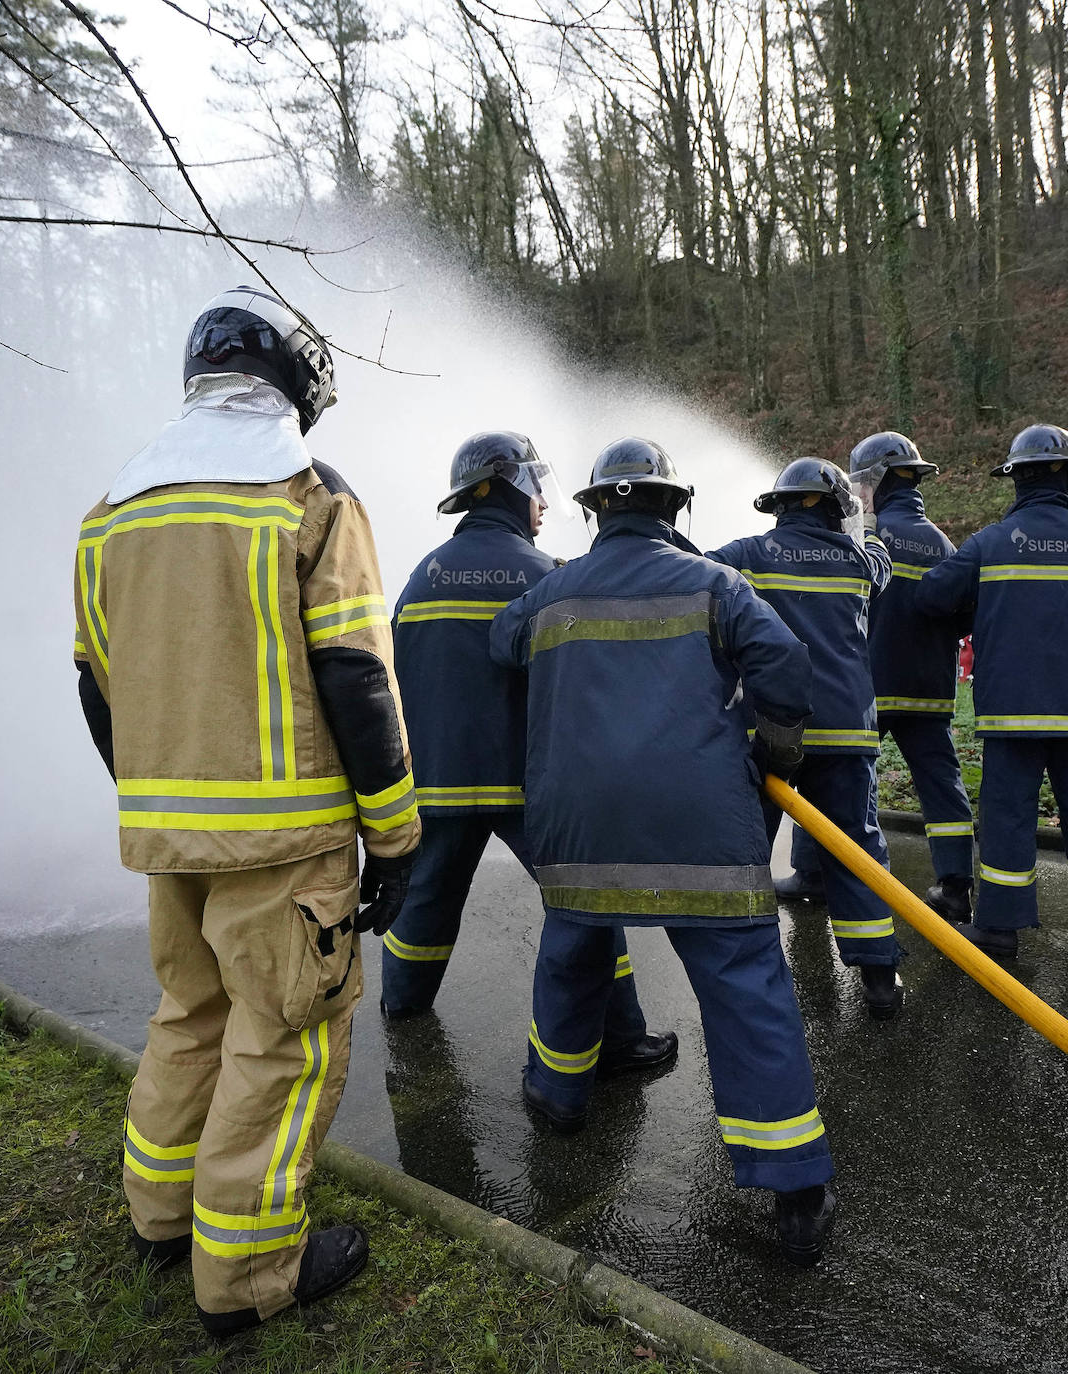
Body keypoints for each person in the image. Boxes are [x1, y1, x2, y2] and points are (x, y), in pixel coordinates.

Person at [74, 286, 420, 1336]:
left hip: (169, 840)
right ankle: (249, 1276)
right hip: (288, 843)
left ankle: (159, 1215)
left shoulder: (113, 513)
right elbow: (357, 675)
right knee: (283, 1045)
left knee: (190, 1019)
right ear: (291, 381)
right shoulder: (309, 496)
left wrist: (160, 802)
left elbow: (96, 687)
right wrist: (395, 834)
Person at [489, 438, 836, 1266]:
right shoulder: (717, 585)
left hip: (578, 829)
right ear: (675, 508)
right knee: (745, 984)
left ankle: (558, 1095)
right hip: (701, 827)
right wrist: (776, 752)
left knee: (573, 950)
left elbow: (499, 649)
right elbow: (783, 662)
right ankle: (792, 1188)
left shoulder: (546, 595)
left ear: (593, 509)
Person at [384, 432, 673, 1077]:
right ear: (513, 487)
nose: (543, 501)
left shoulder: (420, 577)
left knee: (425, 902)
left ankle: (401, 1007)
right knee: (586, 903)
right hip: (531, 787)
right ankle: (623, 1038)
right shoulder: (548, 576)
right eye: (535, 486)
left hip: (439, 784)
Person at [915, 424, 1068, 961]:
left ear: (1015, 479)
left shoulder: (990, 544)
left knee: (1009, 817)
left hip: (1013, 716)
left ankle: (999, 929)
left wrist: (983, 610)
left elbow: (931, 596)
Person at [709, 459, 904, 1017]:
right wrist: (864, 520)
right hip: (847, 731)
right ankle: (879, 977)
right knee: (857, 847)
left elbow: (690, 574)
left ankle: (748, 974)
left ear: (780, 506)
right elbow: (882, 566)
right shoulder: (859, 562)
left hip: (769, 731)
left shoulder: (745, 556)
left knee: (748, 850)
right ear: (833, 510)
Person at [849, 430, 976, 921]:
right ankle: (955, 886)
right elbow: (962, 614)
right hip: (929, 690)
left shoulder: (868, 538)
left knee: (840, 776)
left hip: (871, 687)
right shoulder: (944, 543)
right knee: (942, 785)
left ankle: (817, 869)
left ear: (876, 482)